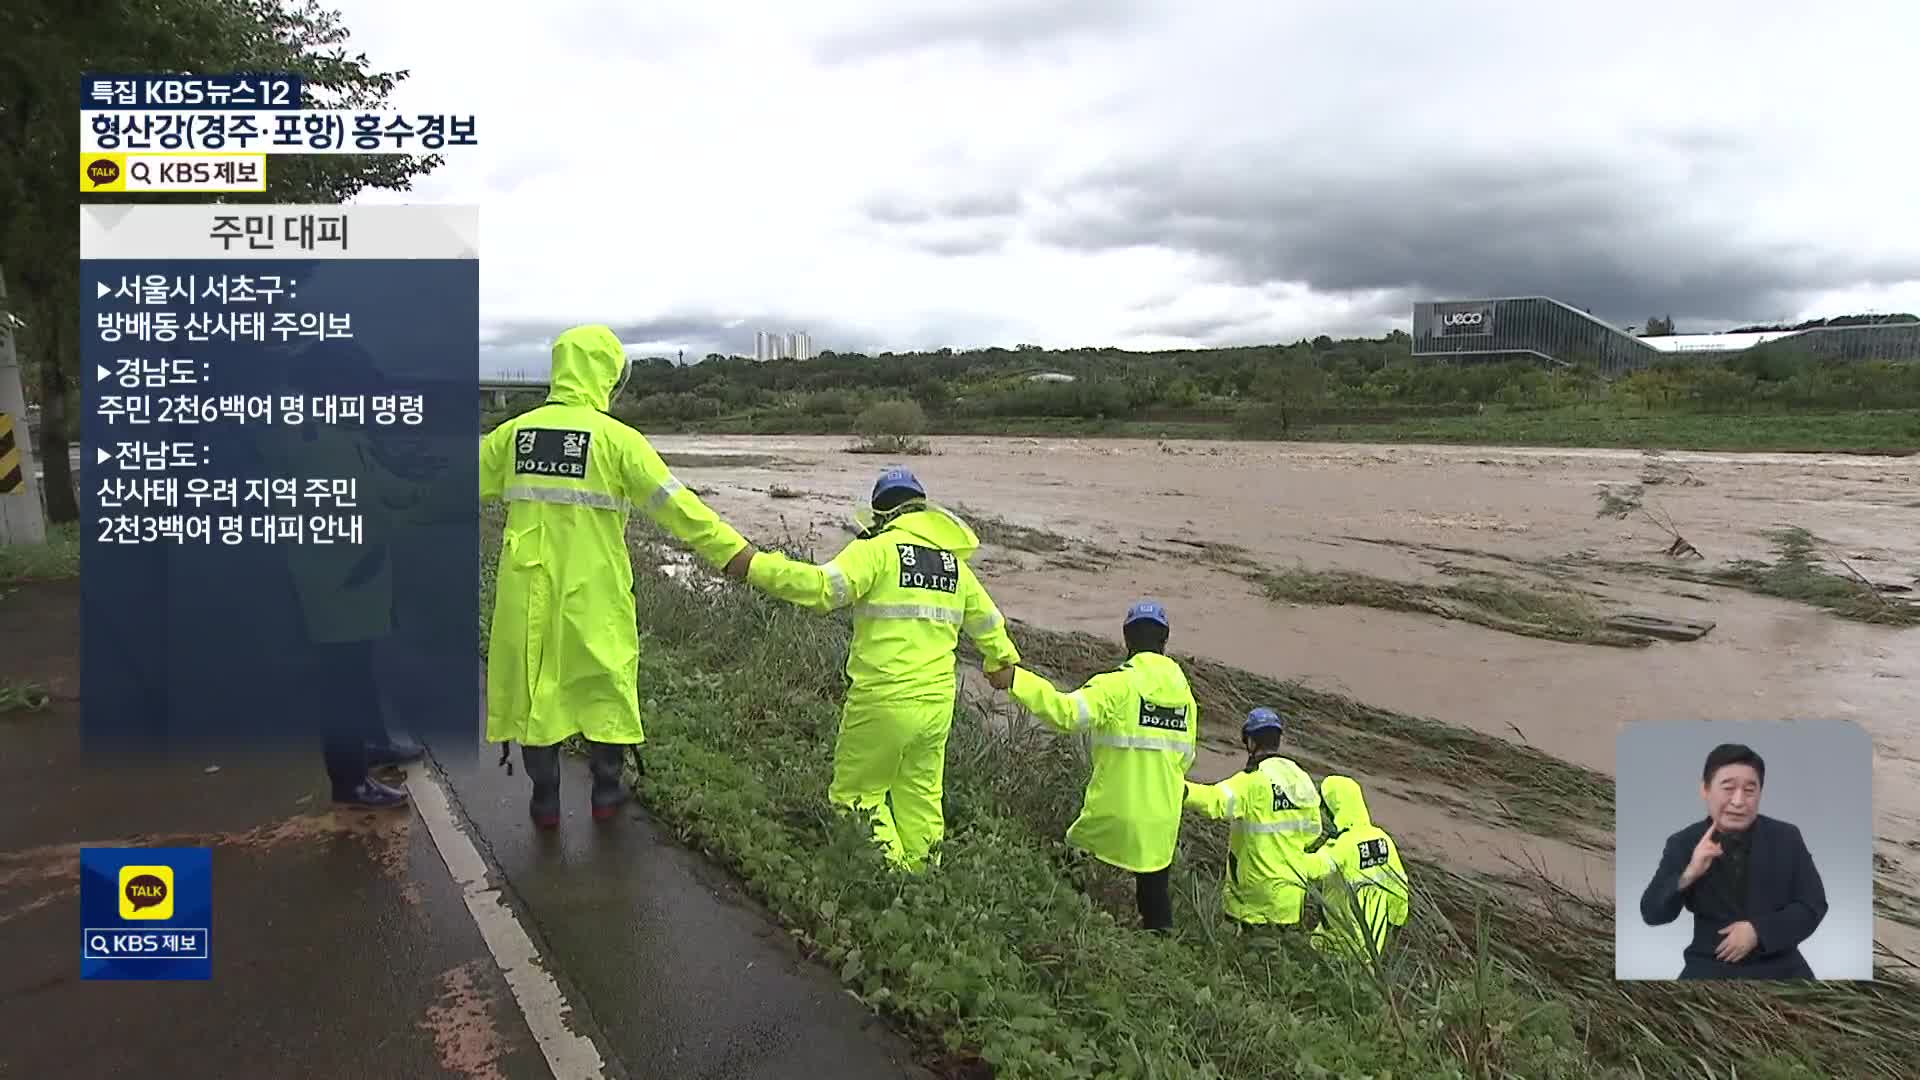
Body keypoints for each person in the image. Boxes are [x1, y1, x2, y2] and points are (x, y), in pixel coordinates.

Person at [481, 325, 752, 828]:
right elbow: (681, 509)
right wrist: (736, 555)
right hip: (595, 590)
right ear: (607, 375)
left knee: (534, 687)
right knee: (605, 684)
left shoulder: (514, 434)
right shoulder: (618, 441)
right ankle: (606, 793)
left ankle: (544, 800)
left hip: (525, 589)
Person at [729, 468, 1019, 871]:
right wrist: (1000, 660)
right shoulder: (954, 567)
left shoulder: (877, 550)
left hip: (884, 697)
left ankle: (888, 881)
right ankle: (924, 878)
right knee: (920, 797)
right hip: (937, 706)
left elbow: (821, 589)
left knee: (858, 797)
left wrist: (754, 566)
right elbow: (988, 622)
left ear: (880, 514)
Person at [986, 602, 1198, 932]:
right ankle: (1161, 951)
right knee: (1155, 896)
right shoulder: (1184, 695)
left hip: (1112, 812)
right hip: (1162, 819)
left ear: (1127, 640)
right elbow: (1186, 757)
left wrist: (1017, 679)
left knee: (1068, 867)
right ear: (1164, 641)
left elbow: (1066, 713)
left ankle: (1062, 927)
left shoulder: (1117, 685)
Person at [1638, 742, 1829, 979]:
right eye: (1728, 788)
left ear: (1760, 793)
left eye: (1750, 790)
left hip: (1781, 965)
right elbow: (1652, 913)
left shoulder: (1786, 837)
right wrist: (1690, 873)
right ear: (1705, 789)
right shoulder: (1684, 842)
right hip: (1709, 966)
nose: (1738, 801)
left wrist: (1758, 931)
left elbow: (1813, 905)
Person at [1181, 707, 1325, 929]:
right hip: (1290, 896)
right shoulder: (1300, 778)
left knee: (1238, 958)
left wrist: (1177, 789)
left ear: (1250, 741)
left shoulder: (1253, 781)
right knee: (1277, 958)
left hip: (1252, 898)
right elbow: (1314, 830)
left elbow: (1214, 801)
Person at [1309, 775, 1411, 959]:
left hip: (1340, 938)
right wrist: (1396, 923)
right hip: (1374, 940)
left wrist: (1287, 851)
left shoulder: (1342, 845)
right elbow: (1399, 886)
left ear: (1333, 808)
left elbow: (1314, 869)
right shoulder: (1382, 838)